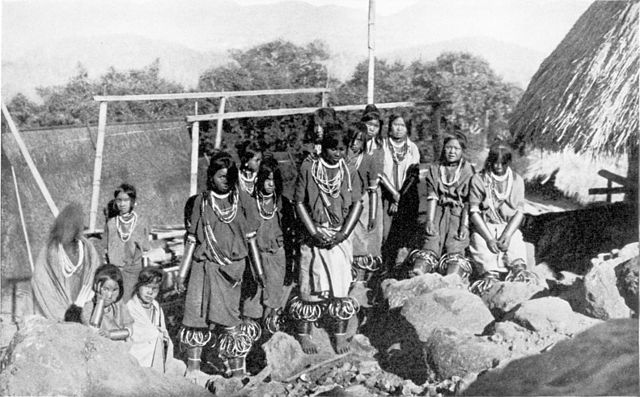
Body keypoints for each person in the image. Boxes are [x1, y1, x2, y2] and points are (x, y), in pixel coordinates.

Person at [175, 151, 261, 378]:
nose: (226, 180)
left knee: (231, 321)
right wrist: (182, 274)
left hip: (231, 270)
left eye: (230, 176)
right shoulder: (200, 202)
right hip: (203, 269)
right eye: (221, 176)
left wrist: (258, 271)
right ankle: (193, 370)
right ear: (211, 176)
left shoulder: (242, 200)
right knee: (196, 318)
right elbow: (192, 240)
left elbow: (251, 237)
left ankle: (238, 373)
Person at [289, 126, 361, 355]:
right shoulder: (309, 167)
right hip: (314, 236)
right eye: (333, 148)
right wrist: (314, 233)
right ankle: (305, 335)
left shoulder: (349, 169)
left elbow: (358, 203)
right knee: (309, 288)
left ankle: (339, 336)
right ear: (324, 147)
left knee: (340, 288)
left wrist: (343, 234)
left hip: (340, 236)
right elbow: (299, 202)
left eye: (342, 149)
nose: (337, 153)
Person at [468, 143, 538, 294]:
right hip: (485, 226)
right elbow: (474, 211)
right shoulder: (478, 179)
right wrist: (489, 239)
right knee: (479, 242)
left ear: (508, 163)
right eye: (495, 162)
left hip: (508, 225)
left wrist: (507, 235)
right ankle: (490, 276)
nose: (498, 167)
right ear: (489, 161)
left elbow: (519, 211)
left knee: (516, 241)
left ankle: (518, 272)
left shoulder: (516, 180)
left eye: (502, 163)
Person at [409, 130, 475, 279]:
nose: (452, 151)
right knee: (431, 239)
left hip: (457, 214)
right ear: (444, 148)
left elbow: (467, 202)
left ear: (462, 151)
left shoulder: (468, 171)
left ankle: (453, 274)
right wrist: (430, 220)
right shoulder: (435, 168)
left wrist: (464, 225)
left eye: (456, 148)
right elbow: (432, 196)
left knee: (456, 243)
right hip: (438, 211)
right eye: (449, 147)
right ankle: (421, 270)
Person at [241, 157, 291, 334]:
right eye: (267, 179)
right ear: (260, 179)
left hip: (277, 255)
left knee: (273, 300)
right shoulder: (249, 202)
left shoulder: (282, 203)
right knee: (253, 301)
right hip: (256, 257)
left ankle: (268, 338)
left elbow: (289, 232)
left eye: (274, 180)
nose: (270, 184)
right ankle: (249, 339)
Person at [32, 203, 101, 321]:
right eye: (66, 226)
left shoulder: (87, 248)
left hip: (85, 304)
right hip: (56, 309)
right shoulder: (50, 250)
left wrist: (82, 304)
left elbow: (95, 273)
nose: (68, 231)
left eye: (72, 227)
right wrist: (63, 313)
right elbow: (41, 281)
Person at [380, 113, 421, 269]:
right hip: (385, 195)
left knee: (402, 236)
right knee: (385, 234)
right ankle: (383, 269)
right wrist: (393, 195)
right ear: (389, 126)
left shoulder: (412, 148)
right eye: (395, 124)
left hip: (407, 198)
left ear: (407, 128)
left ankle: (399, 268)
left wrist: (400, 198)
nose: (398, 128)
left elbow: (413, 175)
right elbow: (380, 173)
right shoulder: (382, 146)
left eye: (402, 125)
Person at [127, 267, 185, 374]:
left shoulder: (156, 307)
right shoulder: (130, 307)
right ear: (139, 286)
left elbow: (162, 331)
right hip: (137, 356)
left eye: (155, 289)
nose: (150, 292)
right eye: (147, 287)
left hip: (155, 357)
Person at [345, 122, 384, 285]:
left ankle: (360, 285)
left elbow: (373, 189)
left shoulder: (369, 159)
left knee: (364, 246)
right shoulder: (342, 158)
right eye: (353, 140)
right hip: (345, 205)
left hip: (365, 205)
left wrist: (373, 216)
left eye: (360, 141)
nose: (355, 144)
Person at [104, 183, 150, 302]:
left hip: (134, 271)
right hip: (116, 271)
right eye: (119, 200)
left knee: (132, 302)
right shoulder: (111, 224)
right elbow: (105, 248)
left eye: (126, 200)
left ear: (132, 201)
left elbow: (145, 247)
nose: (122, 204)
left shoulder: (140, 222)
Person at [82, 264, 134, 342]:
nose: (109, 295)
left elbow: (129, 330)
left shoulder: (119, 305)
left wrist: (111, 334)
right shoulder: (89, 308)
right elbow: (93, 331)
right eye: (105, 289)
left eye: (115, 290)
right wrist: (100, 303)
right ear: (97, 287)